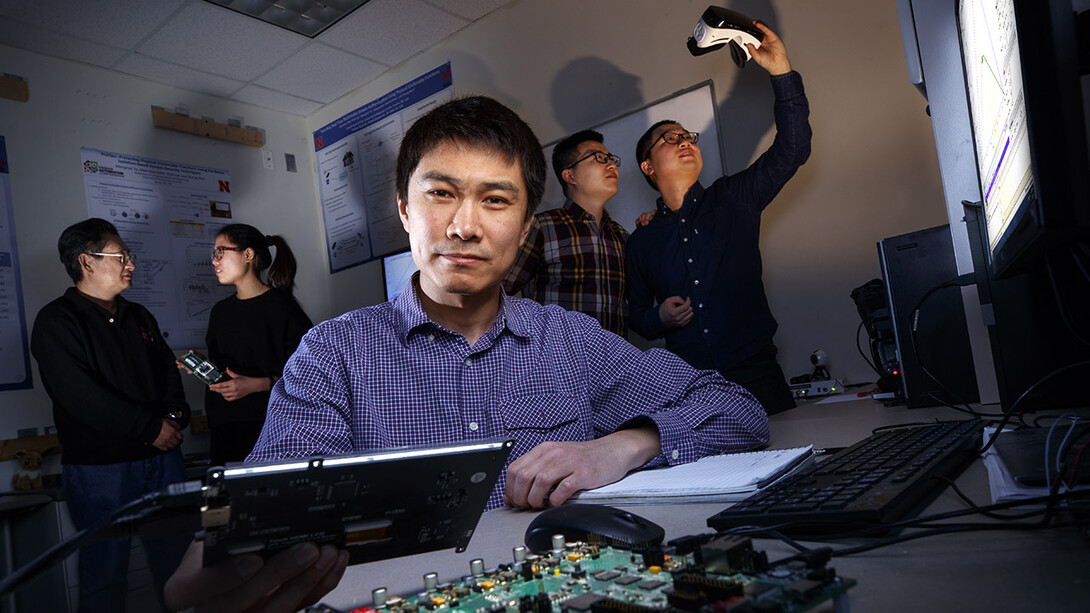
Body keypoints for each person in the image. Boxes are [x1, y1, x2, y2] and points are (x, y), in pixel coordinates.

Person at [165, 95, 769, 612]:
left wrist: (621, 445)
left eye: (496, 201)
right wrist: (212, 567)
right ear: (404, 210)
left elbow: (737, 409)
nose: (463, 226)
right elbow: (273, 503)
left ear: (527, 227)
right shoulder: (332, 352)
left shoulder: (570, 339)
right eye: (441, 194)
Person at [626, 21, 812, 414]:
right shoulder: (642, 240)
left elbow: (793, 148)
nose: (685, 142)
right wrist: (658, 317)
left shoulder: (734, 198)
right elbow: (635, 315)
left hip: (758, 375)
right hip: (689, 387)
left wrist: (780, 72)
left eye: (688, 136)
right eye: (670, 139)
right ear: (648, 166)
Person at [31, 218, 191, 613]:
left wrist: (174, 418)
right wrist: (150, 428)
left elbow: (167, 374)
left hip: (163, 461)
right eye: (122, 256)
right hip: (101, 470)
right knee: (105, 574)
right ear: (87, 262)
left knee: (181, 571)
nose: (131, 264)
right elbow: (80, 396)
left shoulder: (139, 316)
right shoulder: (56, 321)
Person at [195, 223, 313, 465]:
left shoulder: (284, 309)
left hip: (272, 431)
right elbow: (224, 377)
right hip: (226, 434)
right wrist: (202, 367)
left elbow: (310, 378)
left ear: (248, 255)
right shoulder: (220, 312)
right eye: (213, 254)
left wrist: (260, 385)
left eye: (220, 252)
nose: (214, 261)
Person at [503, 130, 630, 336]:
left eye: (610, 158)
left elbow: (635, 305)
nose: (610, 164)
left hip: (613, 362)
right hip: (555, 361)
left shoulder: (622, 236)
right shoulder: (543, 226)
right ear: (570, 175)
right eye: (598, 157)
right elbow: (499, 289)